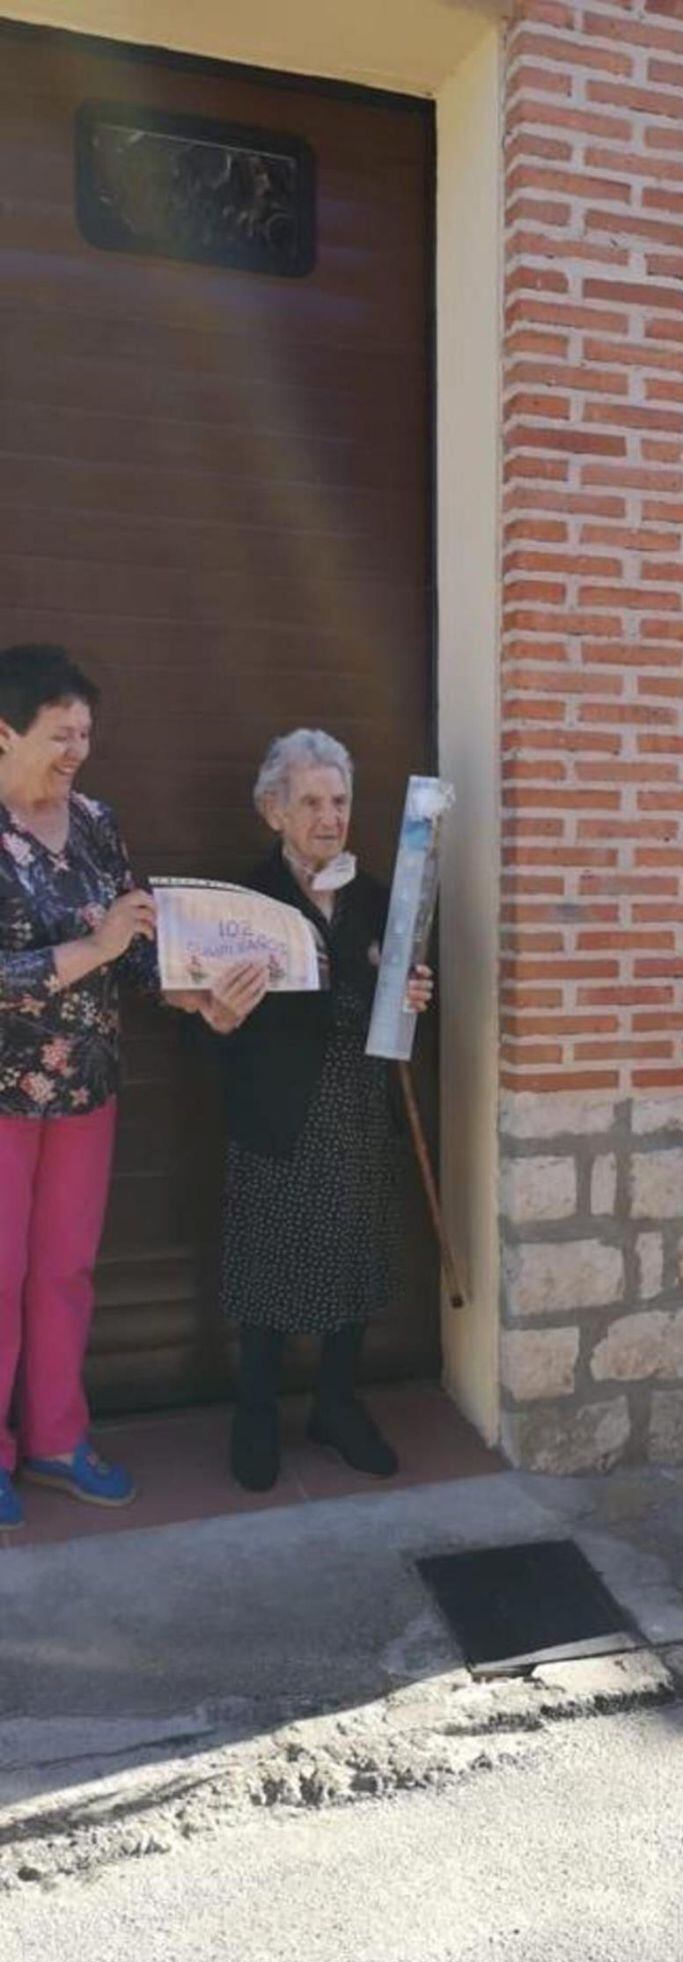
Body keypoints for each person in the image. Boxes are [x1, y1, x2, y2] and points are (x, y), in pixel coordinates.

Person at [0, 644, 254, 1527]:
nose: (76, 752)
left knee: (64, 1273)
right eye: (58, 734)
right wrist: (94, 947)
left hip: (87, 1090)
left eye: (85, 735)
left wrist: (195, 997)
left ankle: (57, 1442)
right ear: (4, 730)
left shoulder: (98, 823)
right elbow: (88, 947)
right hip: (0, 1097)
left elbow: (137, 944)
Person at [198, 729, 433, 1494]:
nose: (329, 816)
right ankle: (256, 1412)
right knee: (267, 1270)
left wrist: (413, 995)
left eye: (339, 800)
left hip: (358, 1109)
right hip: (277, 1114)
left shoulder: (374, 898)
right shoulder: (244, 904)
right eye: (310, 802)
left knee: (356, 1262)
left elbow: (402, 997)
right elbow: (202, 1020)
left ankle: (335, 1404)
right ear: (273, 811)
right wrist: (218, 1019)